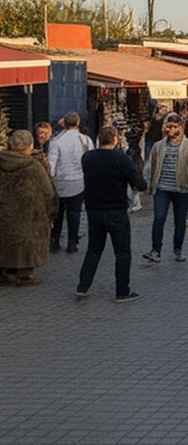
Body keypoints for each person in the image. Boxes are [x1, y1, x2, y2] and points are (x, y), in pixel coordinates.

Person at [76, 126, 148, 302]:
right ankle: (122, 291)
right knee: (122, 252)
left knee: (93, 249)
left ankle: (83, 286)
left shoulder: (88, 158)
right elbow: (138, 182)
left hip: (94, 210)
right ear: (115, 139)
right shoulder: (120, 158)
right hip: (116, 210)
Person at [144, 113, 188, 263]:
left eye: (174, 126)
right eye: (168, 126)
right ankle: (155, 250)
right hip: (162, 189)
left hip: (182, 189)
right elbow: (150, 166)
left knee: (180, 220)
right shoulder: (159, 146)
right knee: (159, 218)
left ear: (181, 128)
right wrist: (147, 184)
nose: (170, 129)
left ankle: (178, 249)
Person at [0, 130, 57, 287]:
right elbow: (48, 192)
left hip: (3, 212)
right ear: (29, 146)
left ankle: (2, 273)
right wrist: (51, 211)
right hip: (28, 213)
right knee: (26, 240)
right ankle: (24, 275)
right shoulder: (33, 166)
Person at [47, 111, 93, 253]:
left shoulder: (57, 141)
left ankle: (55, 242)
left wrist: (51, 179)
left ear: (65, 124)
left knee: (58, 213)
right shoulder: (86, 140)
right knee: (74, 213)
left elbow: (52, 163)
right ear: (78, 123)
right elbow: (90, 161)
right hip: (78, 181)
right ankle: (72, 242)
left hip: (60, 181)